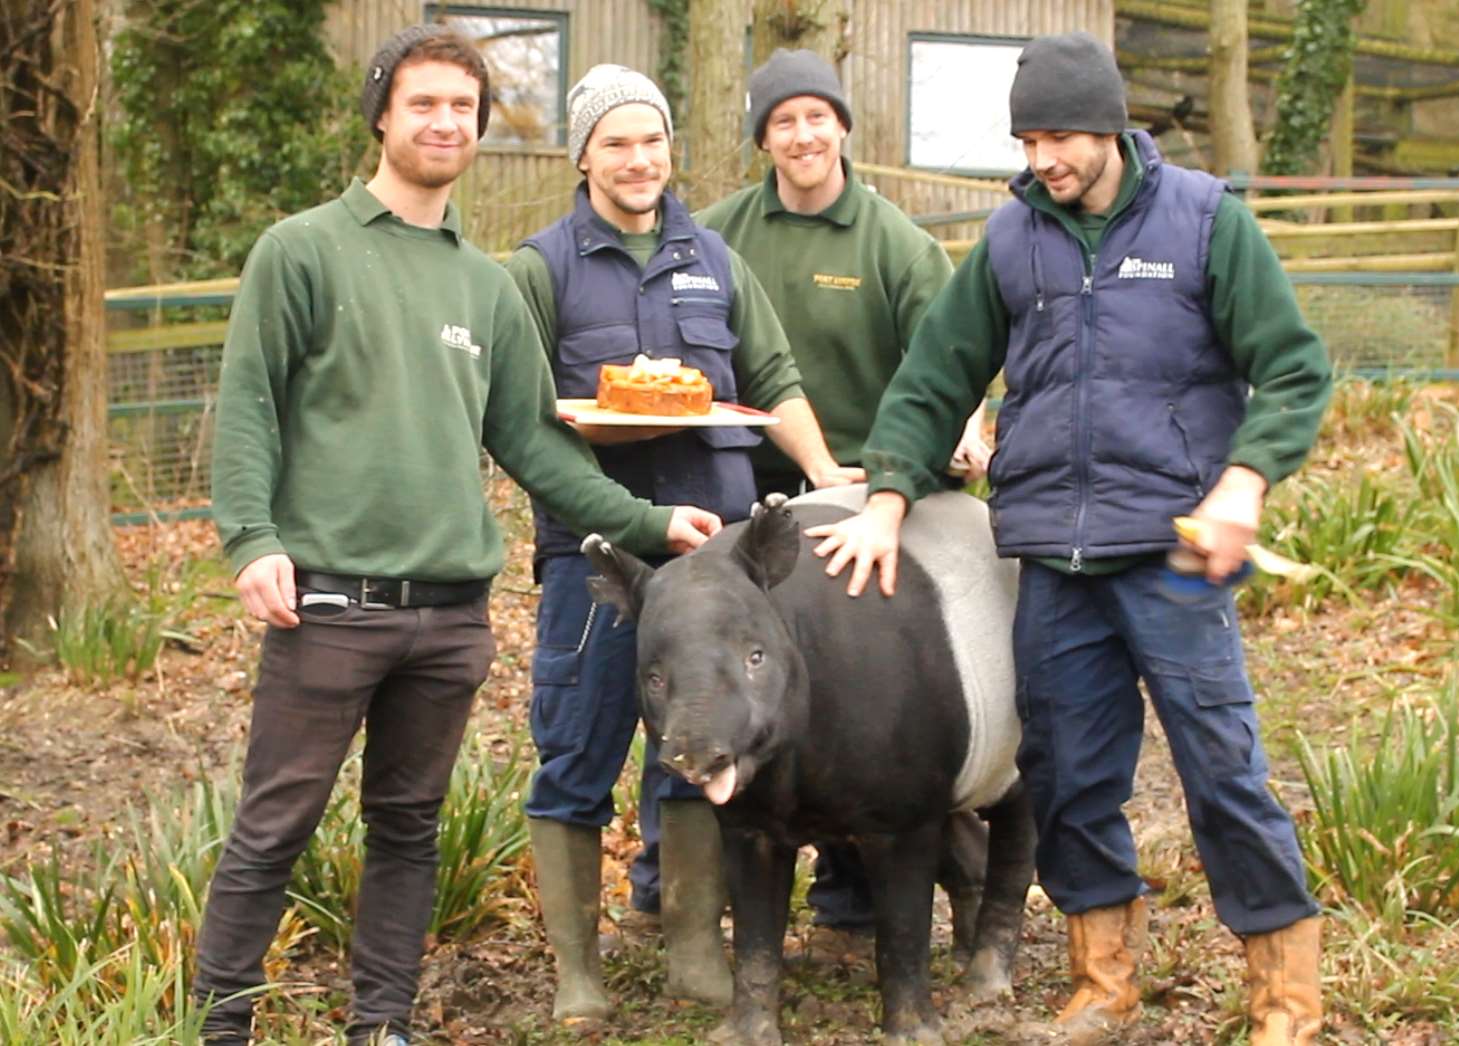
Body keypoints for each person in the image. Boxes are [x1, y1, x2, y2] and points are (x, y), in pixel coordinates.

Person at [194, 28, 719, 1046]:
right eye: (423, 103)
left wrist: (646, 521)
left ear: (480, 129)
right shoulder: (300, 250)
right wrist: (251, 538)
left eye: (462, 109)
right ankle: (218, 1027)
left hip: (446, 618)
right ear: (382, 116)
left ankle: (380, 1023)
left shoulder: (483, 286)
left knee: (406, 829)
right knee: (273, 827)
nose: (443, 122)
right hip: (327, 605)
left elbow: (533, 440)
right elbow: (250, 402)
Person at [808, 31, 1330, 1046]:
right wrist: (884, 494)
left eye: (1057, 136)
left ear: (1107, 126)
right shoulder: (1012, 239)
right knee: (1068, 772)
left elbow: (1293, 369)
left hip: (1172, 552)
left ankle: (1283, 997)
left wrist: (1242, 480)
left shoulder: (1203, 222)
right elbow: (930, 378)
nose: (1041, 157)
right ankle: (1099, 982)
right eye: (1026, 137)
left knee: (1219, 764)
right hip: (1052, 554)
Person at [504, 64, 859, 1023]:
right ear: (581, 156)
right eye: (616, 142)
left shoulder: (712, 257)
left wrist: (823, 475)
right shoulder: (540, 270)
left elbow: (773, 377)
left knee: (706, 749)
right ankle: (578, 970)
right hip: (599, 564)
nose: (638, 159)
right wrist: (628, 517)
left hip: (714, 561)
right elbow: (528, 428)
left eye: (651, 139)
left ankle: (696, 951)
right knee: (576, 752)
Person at [695, 48, 990, 954]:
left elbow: (955, 355)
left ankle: (854, 900)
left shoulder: (893, 241)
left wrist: (972, 429)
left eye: (816, 117)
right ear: (762, 139)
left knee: (863, 699)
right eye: (782, 121)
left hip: (873, 491)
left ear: (842, 129)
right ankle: (682, 891)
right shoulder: (721, 234)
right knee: (723, 680)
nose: (802, 135)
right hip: (754, 492)